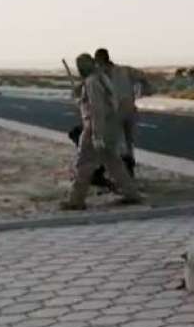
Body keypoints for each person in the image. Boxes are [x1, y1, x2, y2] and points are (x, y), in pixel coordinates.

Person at [60, 53, 142, 210]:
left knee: (84, 163)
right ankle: (132, 194)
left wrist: (97, 135)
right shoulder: (101, 79)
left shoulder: (92, 82)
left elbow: (97, 109)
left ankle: (76, 200)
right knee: (114, 163)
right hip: (108, 128)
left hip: (95, 128)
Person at [94, 48, 151, 176]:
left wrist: (142, 91)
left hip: (119, 112)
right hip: (125, 110)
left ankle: (124, 169)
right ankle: (127, 169)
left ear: (100, 60)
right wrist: (143, 90)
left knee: (119, 142)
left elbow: (142, 77)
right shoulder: (123, 71)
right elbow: (142, 76)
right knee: (126, 142)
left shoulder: (105, 75)